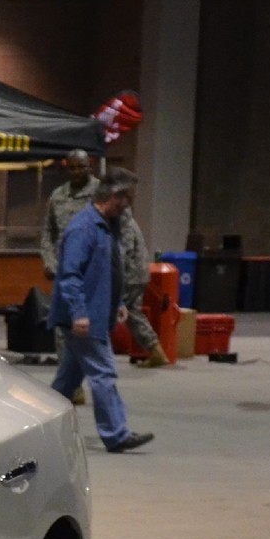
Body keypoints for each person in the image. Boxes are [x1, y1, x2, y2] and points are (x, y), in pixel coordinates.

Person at [50, 168, 154, 453]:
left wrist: (118, 303)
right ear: (115, 196)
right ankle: (116, 434)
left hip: (96, 312)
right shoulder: (83, 228)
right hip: (85, 318)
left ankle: (41, 424)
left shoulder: (108, 226)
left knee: (67, 381)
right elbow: (70, 276)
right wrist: (79, 313)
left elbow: (107, 271)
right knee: (104, 374)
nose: (129, 204)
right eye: (127, 198)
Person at [116, 204, 173, 369]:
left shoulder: (122, 223)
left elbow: (122, 254)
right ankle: (156, 350)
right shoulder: (129, 220)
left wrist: (114, 277)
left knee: (117, 311)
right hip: (138, 273)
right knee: (133, 313)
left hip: (130, 275)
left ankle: (91, 355)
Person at [39, 150, 97, 284]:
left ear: (89, 167)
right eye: (72, 168)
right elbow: (48, 232)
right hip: (64, 271)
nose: (77, 172)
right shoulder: (58, 195)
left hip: (92, 271)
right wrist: (50, 263)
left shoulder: (101, 193)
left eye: (81, 167)